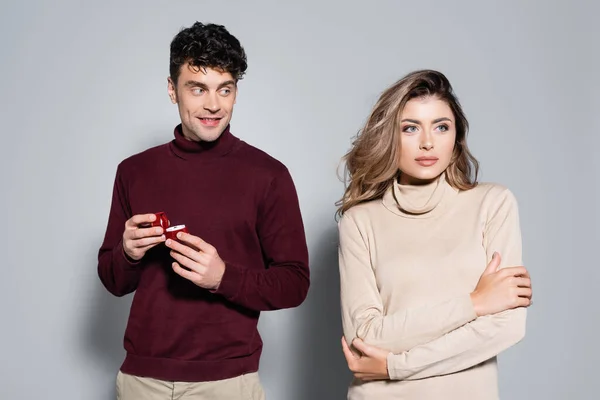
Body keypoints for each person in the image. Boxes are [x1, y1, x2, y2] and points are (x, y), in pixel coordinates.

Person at [97, 22, 310, 400]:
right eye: (198, 88)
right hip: (141, 381)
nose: (213, 104)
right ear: (171, 90)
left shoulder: (268, 176)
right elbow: (114, 282)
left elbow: (294, 283)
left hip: (228, 383)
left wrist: (223, 277)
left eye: (224, 89)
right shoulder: (133, 171)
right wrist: (127, 254)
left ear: (235, 93)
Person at [336, 70, 533, 399]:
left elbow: (505, 326)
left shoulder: (492, 204)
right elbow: (365, 337)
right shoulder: (359, 222)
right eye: (410, 128)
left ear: (456, 137)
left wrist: (396, 366)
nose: (427, 142)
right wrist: (475, 303)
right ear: (389, 136)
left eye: (441, 126)